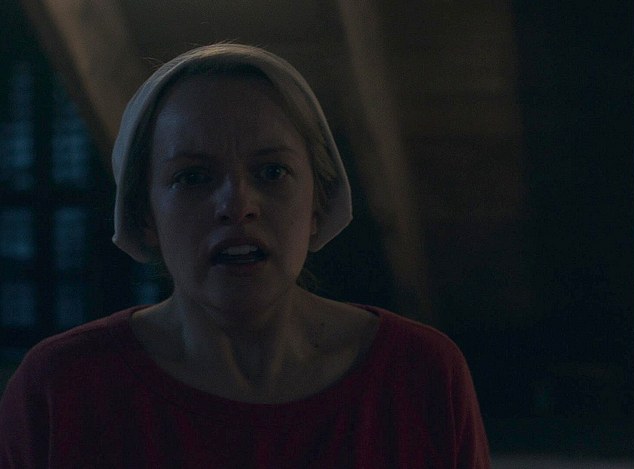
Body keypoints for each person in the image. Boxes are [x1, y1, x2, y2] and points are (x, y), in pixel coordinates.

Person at [0, 43, 490, 467]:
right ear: (144, 215)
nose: (237, 205)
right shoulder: (61, 389)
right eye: (193, 177)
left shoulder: (419, 375)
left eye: (272, 172)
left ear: (317, 203)